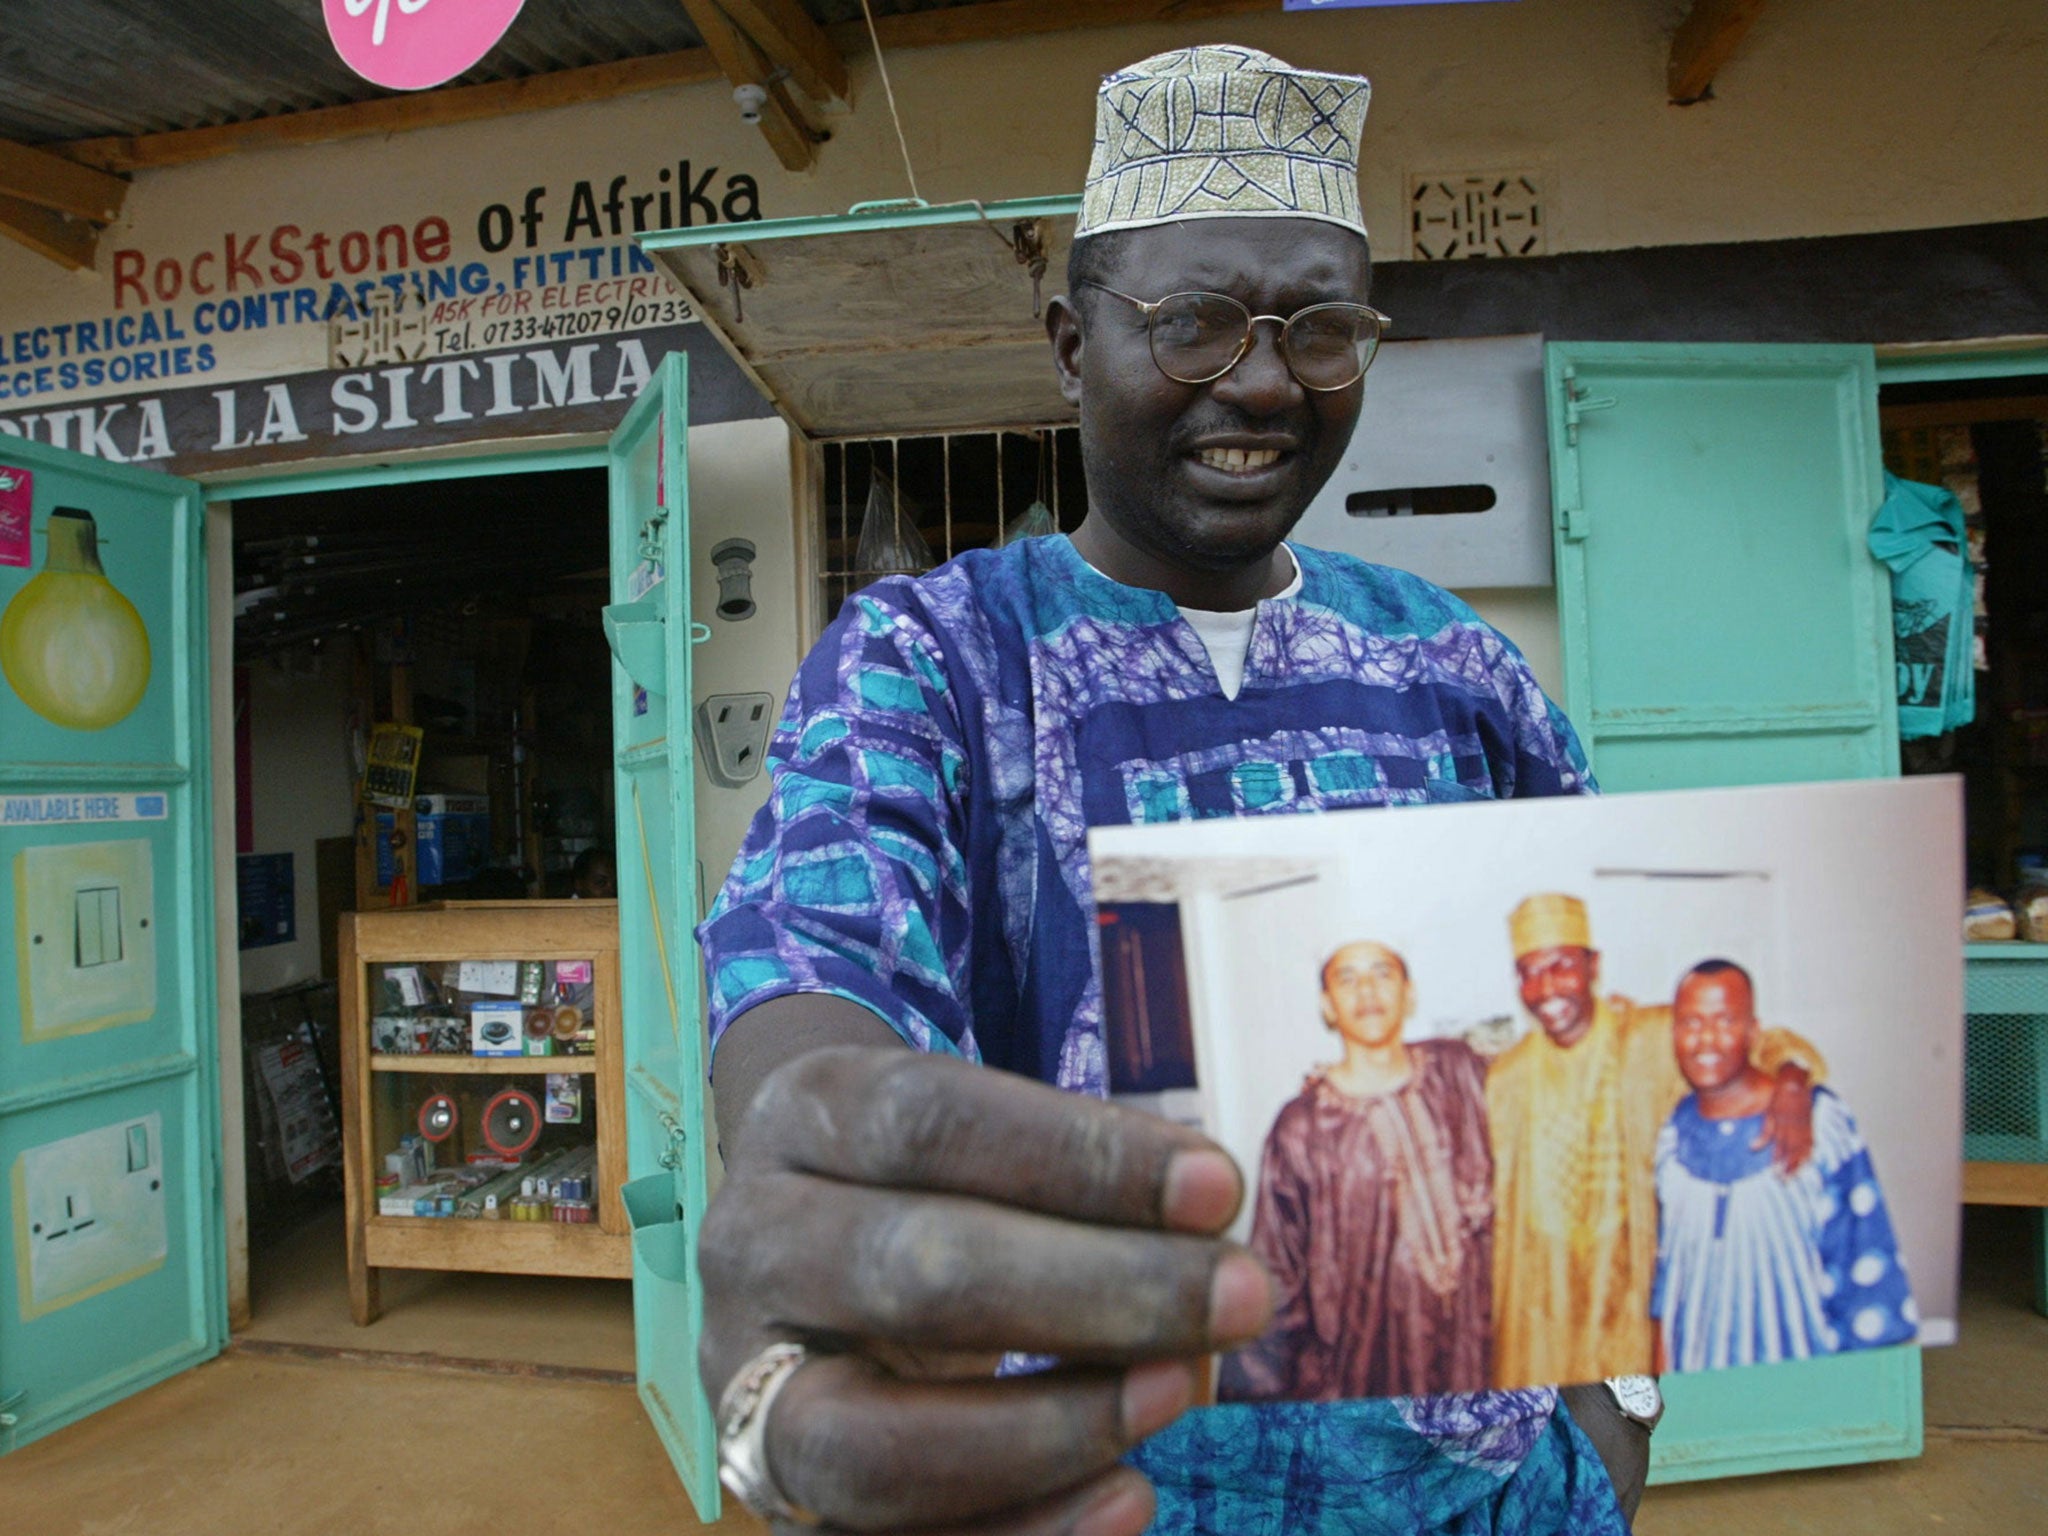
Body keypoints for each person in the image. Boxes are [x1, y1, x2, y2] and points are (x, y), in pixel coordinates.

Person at [696, 45, 1632, 1536]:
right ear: (1074, 346)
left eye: (1319, 328)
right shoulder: (935, 659)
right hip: (1086, 1492)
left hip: (1488, 1492)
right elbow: (820, 953)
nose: (1261, 380)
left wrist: (1611, 1413)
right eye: (1190, 323)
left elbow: (1598, 1018)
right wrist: (810, 1145)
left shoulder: (1459, 668)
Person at [1487, 893, 1825, 1392]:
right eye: (1529, 972)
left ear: (1593, 966)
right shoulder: (1506, 1077)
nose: (1546, 988)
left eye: (1561, 966)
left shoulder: (1649, 1037)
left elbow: (1767, 1041)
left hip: (1630, 1289)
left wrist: (1792, 1081)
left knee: (1631, 1425)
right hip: (1541, 1303)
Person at [1221, 941, 1494, 1402]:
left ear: (1409, 994)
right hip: (1366, 1372)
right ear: (1328, 1006)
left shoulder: (1460, 1076)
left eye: (1382, 974)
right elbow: (1276, 1271)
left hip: (1480, 1356)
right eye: (1347, 979)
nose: (1367, 990)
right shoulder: (1303, 1126)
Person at [1652, 960, 1918, 1372]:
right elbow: (1668, 1282)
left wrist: (1792, 1078)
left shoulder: (1819, 1121)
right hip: (1696, 1393)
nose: (1706, 1039)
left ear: (1752, 1031)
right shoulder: (1670, 1136)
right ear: (1673, 1033)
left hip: (1804, 1384)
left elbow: (1863, 1261)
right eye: (1690, 1023)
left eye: (1724, 1021)